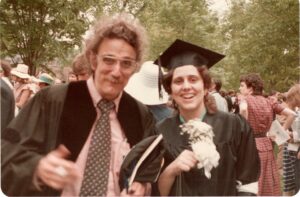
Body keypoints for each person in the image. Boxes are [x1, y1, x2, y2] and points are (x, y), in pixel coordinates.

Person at [1, 13, 157, 196]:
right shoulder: (53, 100)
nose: (117, 71)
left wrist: (142, 187)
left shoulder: (139, 115)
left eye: (126, 63)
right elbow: (6, 155)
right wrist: (37, 167)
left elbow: (148, 170)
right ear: (93, 59)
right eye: (108, 60)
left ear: (135, 68)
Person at [154, 39, 260, 196]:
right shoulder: (160, 132)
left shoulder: (234, 126)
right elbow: (154, 192)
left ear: (205, 87)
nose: (186, 86)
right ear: (171, 91)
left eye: (193, 79)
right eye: (178, 81)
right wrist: (172, 169)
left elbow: (248, 184)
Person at [238, 73, 296, 196]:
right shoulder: (269, 101)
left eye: (242, 86)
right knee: (267, 181)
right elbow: (292, 114)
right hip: (267, 144)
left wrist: (244, 127)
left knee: (253, 181)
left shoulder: (245, 100)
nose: (240, 89)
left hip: (251, 145)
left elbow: (243, 109)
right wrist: (280, 131)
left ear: (250, 88)